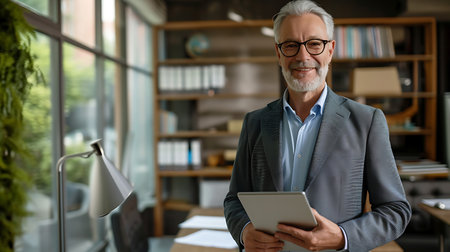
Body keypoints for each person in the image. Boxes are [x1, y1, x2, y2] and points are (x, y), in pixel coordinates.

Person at [223, 0, 411, 251]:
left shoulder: (366, 121)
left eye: (314, 44)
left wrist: (343, 236)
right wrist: (244, 231)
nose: (303, 56)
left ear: (330, 50)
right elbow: (234, 201)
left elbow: (395, 211)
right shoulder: (254, 123)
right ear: (279, 53)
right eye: (291, 45)